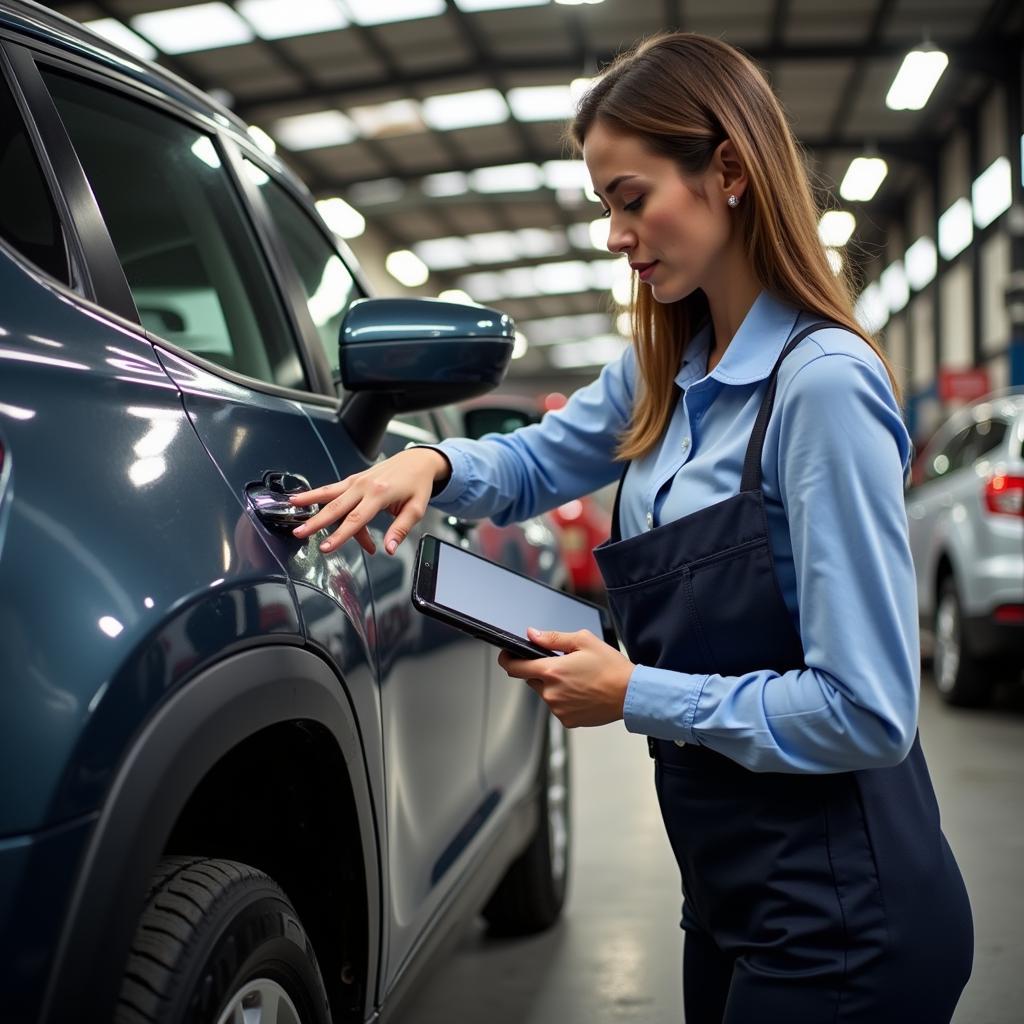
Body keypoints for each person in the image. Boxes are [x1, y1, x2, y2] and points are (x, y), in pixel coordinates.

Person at [290, 32, 973, 1023]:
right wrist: (429, 462)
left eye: (629, 196)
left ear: (728, 172)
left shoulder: (819, 388)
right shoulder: (670, 362)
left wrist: (635, 691)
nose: (614, 234)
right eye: (605, 204)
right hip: (730, 894)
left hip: (843, 913)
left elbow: (868, 709)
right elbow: (537, 458)